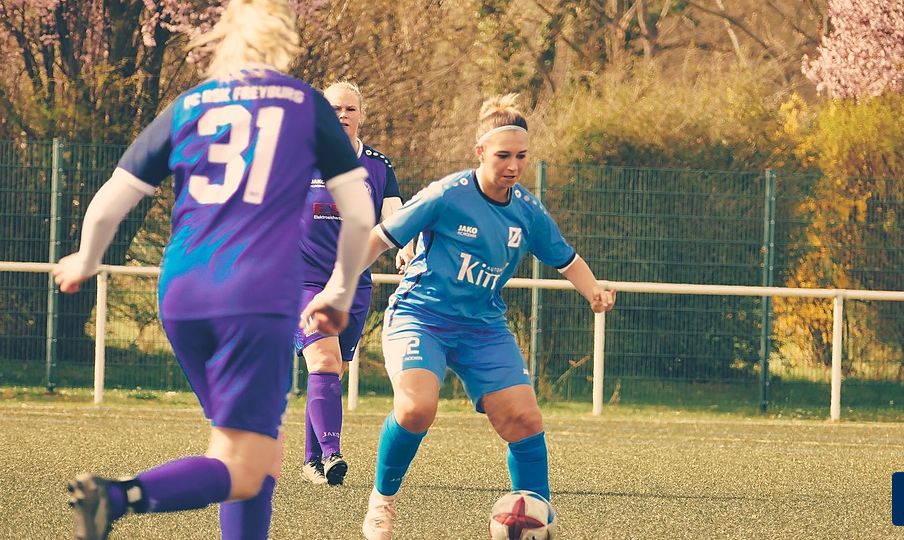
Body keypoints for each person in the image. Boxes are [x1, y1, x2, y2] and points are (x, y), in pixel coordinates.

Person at [54, 1, 375, 538]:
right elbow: (360, 213)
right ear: (284, 42)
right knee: (246, 465)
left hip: (182, 292)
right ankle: (117, 496)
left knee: (252, 454)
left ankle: (122, 496)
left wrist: (86, 259)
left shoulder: (190, 104)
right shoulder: (304, 104)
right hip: (253, 295)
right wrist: (339, 291)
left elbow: (112, 199)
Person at [348, 93, 617, 540]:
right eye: (503, 155)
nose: (513, 166)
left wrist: (594, 291)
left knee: (525, 419)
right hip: (421, 315)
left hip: (482, 326)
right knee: (416, 409)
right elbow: (380, 237)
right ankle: (382, 501)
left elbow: (566, 259)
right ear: (480, 152)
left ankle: (535, 516)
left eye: (521, 156)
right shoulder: (446, 194)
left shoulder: (527, 210)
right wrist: (337, 288)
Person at [297, 80, 412, 487]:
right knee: (324, 362)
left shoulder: (378, 166)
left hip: (354, 284)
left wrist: (405, 249)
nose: (342, 115)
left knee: (334, 369)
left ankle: (312, 460)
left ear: (362, 115)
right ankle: (332, 454)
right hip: (304, 281)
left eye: (349, 109)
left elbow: (396, 218)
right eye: (334, 109)